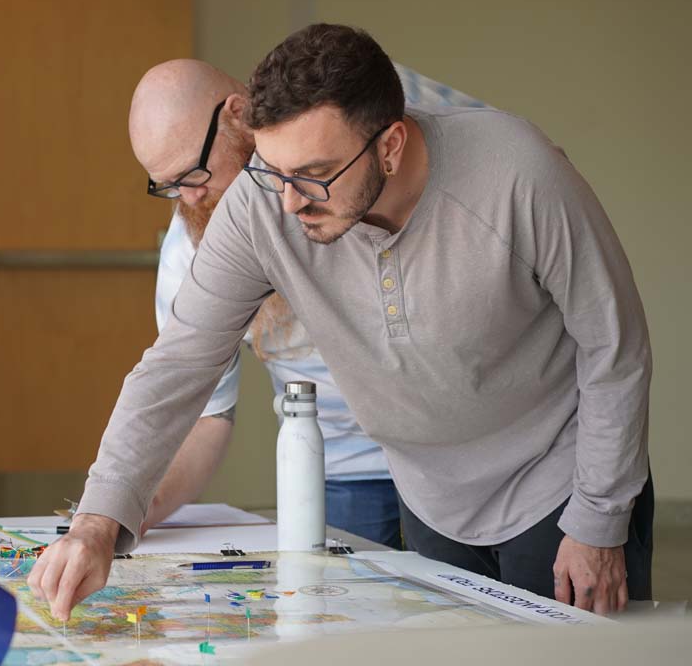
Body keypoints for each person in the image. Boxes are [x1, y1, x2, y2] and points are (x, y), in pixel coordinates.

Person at [30, 24, 651, 619]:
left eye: (315, 175)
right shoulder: (262, 202)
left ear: (390, 146)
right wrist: (95, 525)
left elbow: (613, 346)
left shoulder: (519, 171)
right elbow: (177, 365)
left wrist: (597, 521)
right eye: (273, 172)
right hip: (431, 500)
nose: (290, 201)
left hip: (560, 487)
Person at [132, 59, 485, 547]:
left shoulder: (361, 94)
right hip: (342, 465)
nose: (188, 199)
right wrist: (131, 507)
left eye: (193, 174)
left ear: (237, 114)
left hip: (461, 445)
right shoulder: (191, 247)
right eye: (167, 187)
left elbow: (496, 167)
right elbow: (201, 409)